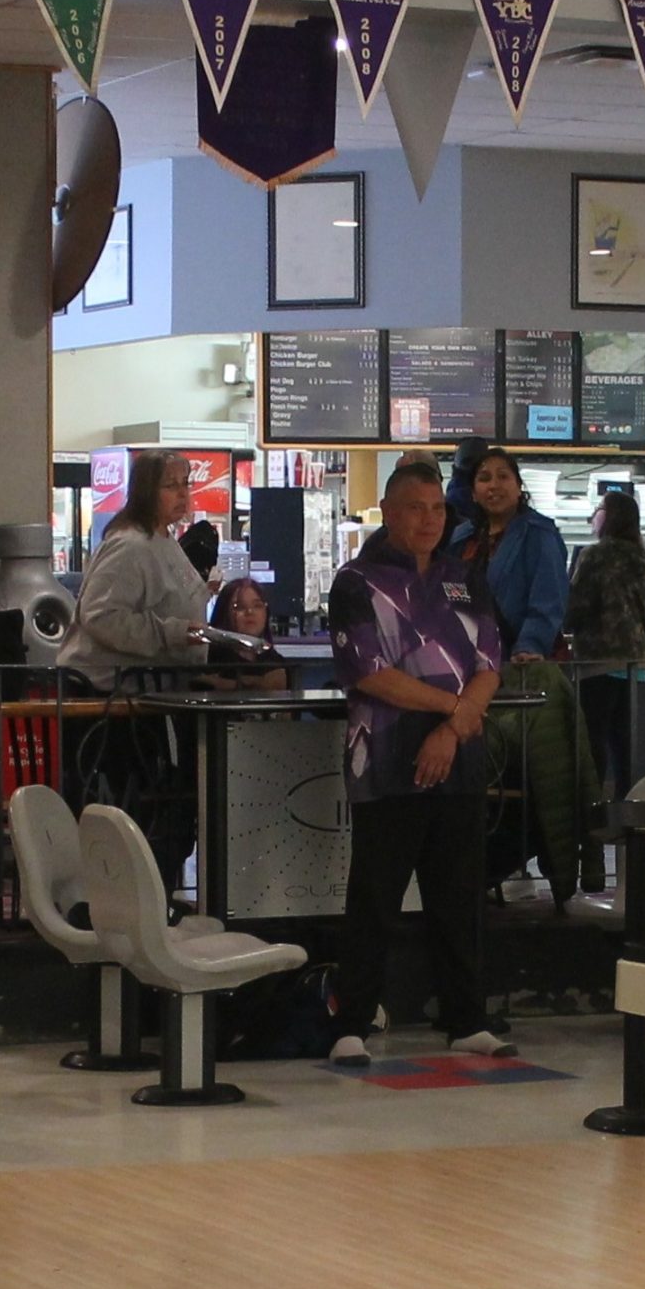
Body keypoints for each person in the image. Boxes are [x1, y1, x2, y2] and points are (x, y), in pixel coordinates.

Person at [326, 458, 510, 1065]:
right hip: (385, 761)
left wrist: (453, 728)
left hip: (459, 758)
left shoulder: (464, 579)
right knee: (375, 897)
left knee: (458, 897)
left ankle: (466, 1018)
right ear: (389, 511)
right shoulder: (358, 582)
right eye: (416, 509)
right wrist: (454, 710)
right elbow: (370, 673)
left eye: (437, 510)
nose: (430, 521)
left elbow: (490, 664)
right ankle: (352, 1021)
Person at [456, 447, 599, 903]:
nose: (493, 485)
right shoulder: (461, 538)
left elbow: (548, 599)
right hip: (466, 672)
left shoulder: (539, 534)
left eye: (503, 476)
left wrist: (529, 646)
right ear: (472, 490)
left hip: (520, 670)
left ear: (519, 487)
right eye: (484, 477)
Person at [57, 452, 212, 688]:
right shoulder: (131, 546)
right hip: (112, 694)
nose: (183, 494)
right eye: (171, 486)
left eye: (185, 483)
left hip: (159, 686)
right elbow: (101, 617)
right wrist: (171, 633)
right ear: (146, 493)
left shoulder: (164, 539)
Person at [564, 488, 645, 803]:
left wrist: (563, 625)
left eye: (598, 510)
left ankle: (592, 805)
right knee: (623, 738)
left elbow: (578, 604)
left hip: (599, 657)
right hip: (636, 659)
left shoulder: (594, 555)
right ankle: (625, 805)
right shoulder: (642, 556)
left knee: (592, 737)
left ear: (610, 516)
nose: (593, 516)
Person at [205, 576, 289, 691]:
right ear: (224, 612)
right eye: (239, 607)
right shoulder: (209, 660)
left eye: (257, 606)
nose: (249, 612)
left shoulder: (277, 663)